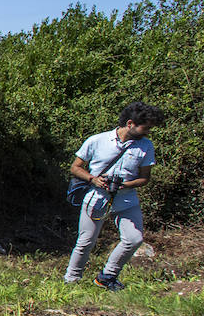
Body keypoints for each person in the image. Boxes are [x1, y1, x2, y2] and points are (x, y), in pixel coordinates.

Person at [63, 102, 164, 291]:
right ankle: (71, 279)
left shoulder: (145, 146)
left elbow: (144, 178)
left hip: (126, 199)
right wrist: (93, 179)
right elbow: (75, 168)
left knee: (134, 239)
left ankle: (107, 276)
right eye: (146, 127)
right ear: (130, 123)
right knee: (86, 241)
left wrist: (124, 185)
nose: (148, 132)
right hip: (97, 197)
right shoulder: (98, 141)